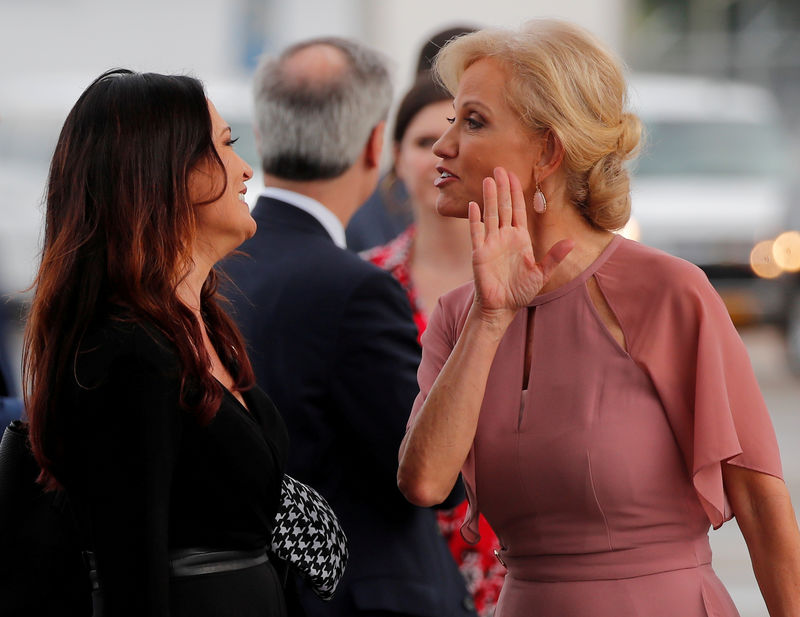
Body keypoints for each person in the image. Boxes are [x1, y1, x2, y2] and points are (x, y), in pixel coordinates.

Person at [397, 19, 800, 617]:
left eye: (473, 121)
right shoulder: (462, 314)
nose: (443, 144)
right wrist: (490, 318)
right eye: (453, 119)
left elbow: (760, 501)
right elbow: (425, 484)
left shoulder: (667, 290)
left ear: (548, 150)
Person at [24, 68, 295, 617]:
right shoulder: (125, 353)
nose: (245, 169)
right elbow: (131, 571)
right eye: (226, 145)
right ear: (168, 173)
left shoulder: (201, 327)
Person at [224, 37, 475, 617]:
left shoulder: (218, 269)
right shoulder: (354, 287)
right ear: (372, 146)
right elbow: (431, 471)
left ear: (263, 138)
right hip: (366, 594)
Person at [361, 74, 505, 617]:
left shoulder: (537, 281)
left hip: (519, 560)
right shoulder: (361, 281)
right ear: (393, 155)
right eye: (424, 141)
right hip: (397, 562)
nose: (446, 152)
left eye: (467, 132)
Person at [345, 24, 476, 252]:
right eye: (425, 142)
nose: (442, 152)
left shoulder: (535, 266)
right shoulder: (362, 216)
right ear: (398, 154)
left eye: (473, 127)